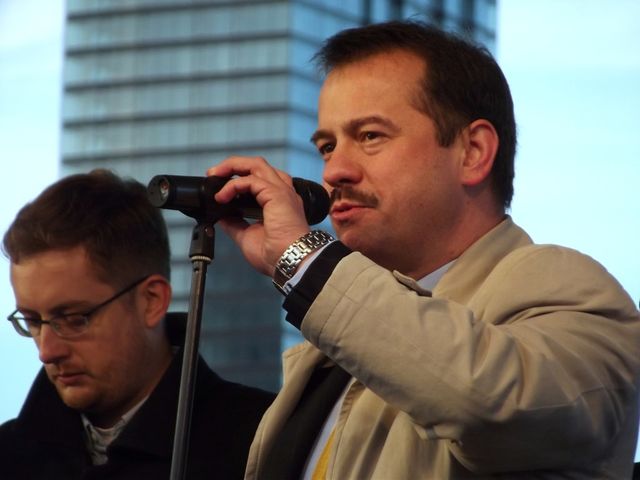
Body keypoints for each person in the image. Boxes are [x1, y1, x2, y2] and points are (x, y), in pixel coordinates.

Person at [205, 21, 640, 479]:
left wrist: (303, 259)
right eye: (327, 146)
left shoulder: (571, 289)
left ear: (473, 151)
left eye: (370, 136)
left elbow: (490, 403)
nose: (334, 171)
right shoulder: (333, 347)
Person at [0, 169, 275, 479]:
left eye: (75, 319)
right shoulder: (7, 457)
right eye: (32, 321)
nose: (47, 352)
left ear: (151, 300)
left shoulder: (265, 441)